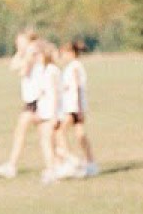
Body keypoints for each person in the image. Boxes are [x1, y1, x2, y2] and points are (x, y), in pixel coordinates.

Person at [0, 28, 42, 179]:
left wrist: (23, 56)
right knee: (44, 134)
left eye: (20, 42)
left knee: (39, 134)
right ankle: (66, 160)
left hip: (37, 100)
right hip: (32, 101)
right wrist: (20, 53)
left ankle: (11, 166)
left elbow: (22, 70)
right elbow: (13, 66)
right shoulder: (28, 52)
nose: (17, 45)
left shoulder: (33, 52)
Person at [57, 40, 99, 179]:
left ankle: (70, 159)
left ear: (71, 53)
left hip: (73, 107)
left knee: (60, 132)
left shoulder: (74, 67)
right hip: (75, 106)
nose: (62, 56)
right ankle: (91, 162)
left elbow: (76, 87)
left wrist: (78, 108)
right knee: (80, 135)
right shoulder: (74, 66)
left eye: (63, 53)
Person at [33, 41, 64, 184]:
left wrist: (54, 115)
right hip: (44, 111)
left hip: (51, 113)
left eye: (37, 54)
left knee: (49, 142)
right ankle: (53, 168)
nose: (35, 57)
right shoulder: (43, 70)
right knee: (47, 141)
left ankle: (52, 170)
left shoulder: (51, 71)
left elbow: (54, 94)